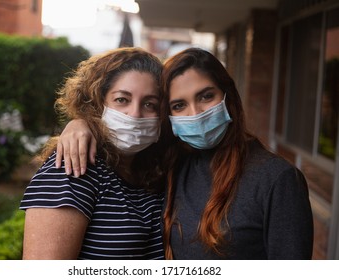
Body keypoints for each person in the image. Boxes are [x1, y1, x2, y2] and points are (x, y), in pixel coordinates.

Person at [57, 48, 314, 259]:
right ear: (168, 117)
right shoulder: (170, 163)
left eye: (206, 96)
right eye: (179, 105)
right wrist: (82, 123)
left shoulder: (277, 179)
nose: (195, 113)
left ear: (229, 96)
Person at [20, 47, 166, 260]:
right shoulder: (73, 165)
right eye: (122, 100)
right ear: (98, 103)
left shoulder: (153, 170)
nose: (135, 114)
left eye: (149, 104)